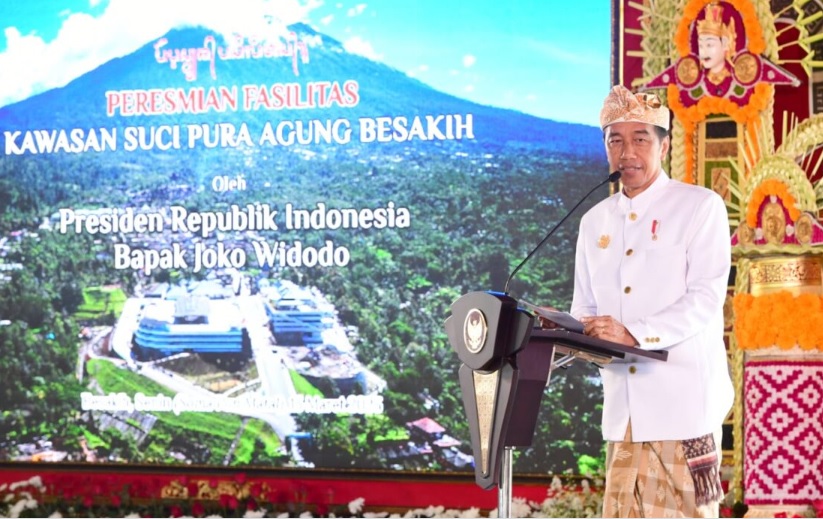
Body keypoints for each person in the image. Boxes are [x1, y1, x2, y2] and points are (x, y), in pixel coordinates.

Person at [570, 85, 734, 517]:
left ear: (664, 144)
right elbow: (582, 307)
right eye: (615, 140)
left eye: (640, 138)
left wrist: (633, 333)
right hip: (623, 414)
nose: (628, 152)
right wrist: (574, 333)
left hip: (687, 410)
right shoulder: (593, 221)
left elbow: (705, 298)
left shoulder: (700, 207)